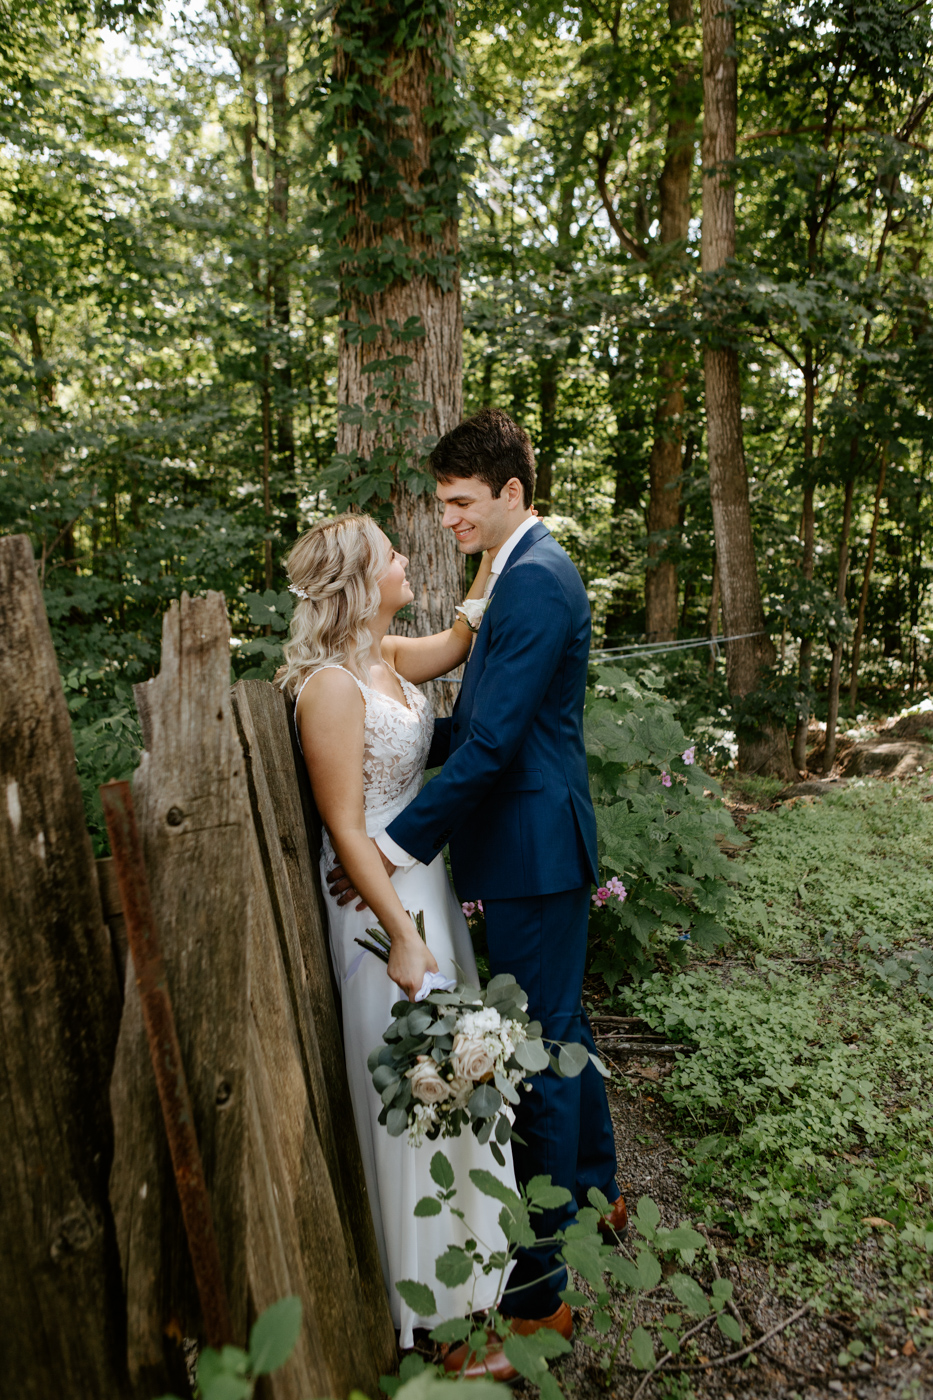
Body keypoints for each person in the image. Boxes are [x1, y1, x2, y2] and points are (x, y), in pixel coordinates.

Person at [327, 408, 626, 1381]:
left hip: (534, 848)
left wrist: (392, 839)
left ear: (510, 492)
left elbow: (495, 743)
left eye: (460, 503)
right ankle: (599, 1193)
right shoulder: (510, 575)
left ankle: (539, 1305)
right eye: (443, 502)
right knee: (563, 1024)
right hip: (536, 842)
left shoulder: (536, 580)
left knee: (534, 1058)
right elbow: (473, 721)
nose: (447, 519)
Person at [282, 512, 517, 1349]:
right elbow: (346, 828)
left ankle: (475, 1271)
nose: (405, 557)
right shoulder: (329, 688)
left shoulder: (381, 657)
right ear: (358, 580)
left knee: (455, 1072)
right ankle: (430, 1309)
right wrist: (404, 935)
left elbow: (456, 639)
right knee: (411, 1087)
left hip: (424, 882)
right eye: (390, 552)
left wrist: (501, 547)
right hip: (377, 906)